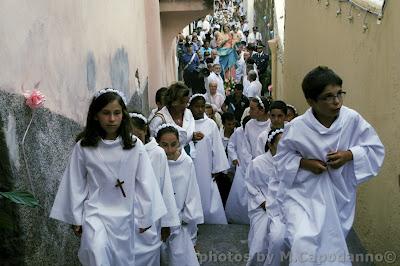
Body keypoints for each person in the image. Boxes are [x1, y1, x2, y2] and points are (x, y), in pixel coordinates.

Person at [275, 66, 385, 265]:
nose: (336, 101)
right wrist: (305, 163)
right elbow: (282, 158)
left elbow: (375, 148)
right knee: (302, 241)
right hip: (303, 194)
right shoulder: (297, 127)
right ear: (311, 101)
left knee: (331, 246)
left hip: (338, 195)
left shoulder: (351, 119)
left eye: (339, 94)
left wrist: (349, 155)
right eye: (327, 97)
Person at [50, 88, 165, 266]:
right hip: (95, 213)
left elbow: (145, 182)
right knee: (96, 252)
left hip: (125, 216)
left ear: (123, 115)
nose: (111, 119)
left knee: (121, 260)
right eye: (106, 113)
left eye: (116, 113)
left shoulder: (135, 146)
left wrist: (146, 215)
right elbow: (76, 183)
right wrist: (76, 217)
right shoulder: (84, 147)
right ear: (96, 115)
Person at [130, 112, 180, 265]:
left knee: (149, 255)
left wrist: (167, 223)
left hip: (152, 215)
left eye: (136, 134)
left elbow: (165, 187)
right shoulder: (125, 152)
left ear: (145, 130)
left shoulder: (157, 153)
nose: (133, 139)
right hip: (128, 216)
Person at [156, 124, 203, 266]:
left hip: (181, 219)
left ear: (179, 142)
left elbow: (192, 193)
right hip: (159, 218)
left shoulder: (186, 162)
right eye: (164, 145)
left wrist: (182, 219)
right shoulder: (156, 161)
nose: (169, 150)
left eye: (173, 144)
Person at [246, 128, 286, 266]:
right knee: (260, 241)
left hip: (283, 208)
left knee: (279, 238)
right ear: (270, 144)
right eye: (280, 143)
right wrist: (263, 202)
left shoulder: (288, 163)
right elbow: (251, 185)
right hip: (261, 207)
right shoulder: (257, 163)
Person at [189, 94, 230, 224]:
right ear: (190, 107)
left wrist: (217, 167)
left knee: (205, 192)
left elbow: (217, 147)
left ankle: (205, 216)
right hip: (190, 164)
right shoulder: (187, 123)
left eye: (202, 106)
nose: (200, 110)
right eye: (197, 107)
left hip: (205, 166)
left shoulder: (211, 124)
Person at [149, 82, 204, 157]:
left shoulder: (188, 113)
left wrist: (193, 136)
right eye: (182, 103)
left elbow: (184, 136)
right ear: (172, 101)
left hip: (186, 157)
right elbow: (151, 143)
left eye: (186, 102)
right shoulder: (159, 119)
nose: (185, 106)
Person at [225, 115, 252, 224]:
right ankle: (236, 216)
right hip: (241, 166)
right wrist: (234, 158)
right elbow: (231, 146)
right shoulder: (238, 132)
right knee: (239, 191)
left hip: (254, 166)